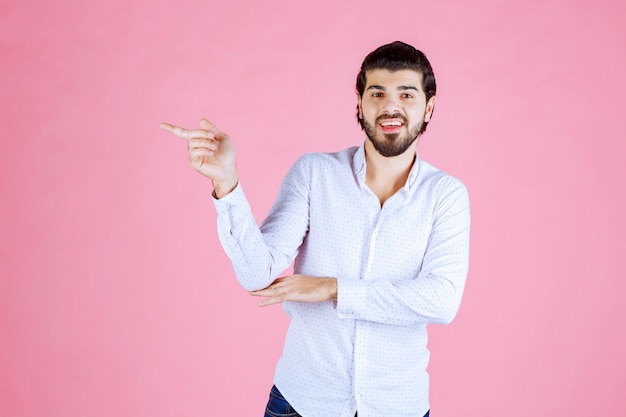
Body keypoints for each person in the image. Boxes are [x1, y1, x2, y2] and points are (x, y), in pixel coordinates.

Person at [161, 41, 470, 417]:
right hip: (301, 402)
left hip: (398, 405)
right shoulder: (314, 174)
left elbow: (441, 300)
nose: (391, 106)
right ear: (359, 104)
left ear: (429, 106)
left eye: (407, 93)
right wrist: (227, 185)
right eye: (377, 93)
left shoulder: (446, 195)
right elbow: (257, 273)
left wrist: (332, 288)